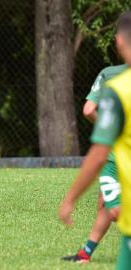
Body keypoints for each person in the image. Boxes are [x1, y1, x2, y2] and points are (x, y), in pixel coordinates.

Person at [59, 11, 131, 270]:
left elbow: (89, 110)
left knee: (113, 208)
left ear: (119, 42)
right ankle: (86, 251)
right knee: (107, 203)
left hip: (114, 155)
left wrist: (70, 199)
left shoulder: (115, 81)